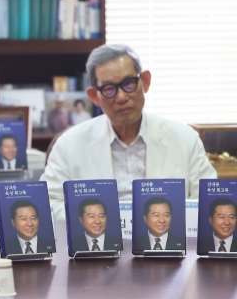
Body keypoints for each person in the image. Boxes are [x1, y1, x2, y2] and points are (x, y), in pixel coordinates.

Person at [42, 44, 217, 219]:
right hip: (97, 243)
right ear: (95, 96)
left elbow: (210, 201)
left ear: (145, 82)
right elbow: (48, 205)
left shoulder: (185, 139)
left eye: (128, 83)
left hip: (167, 244)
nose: (121, 97)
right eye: (109, 89)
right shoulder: (68, 144)